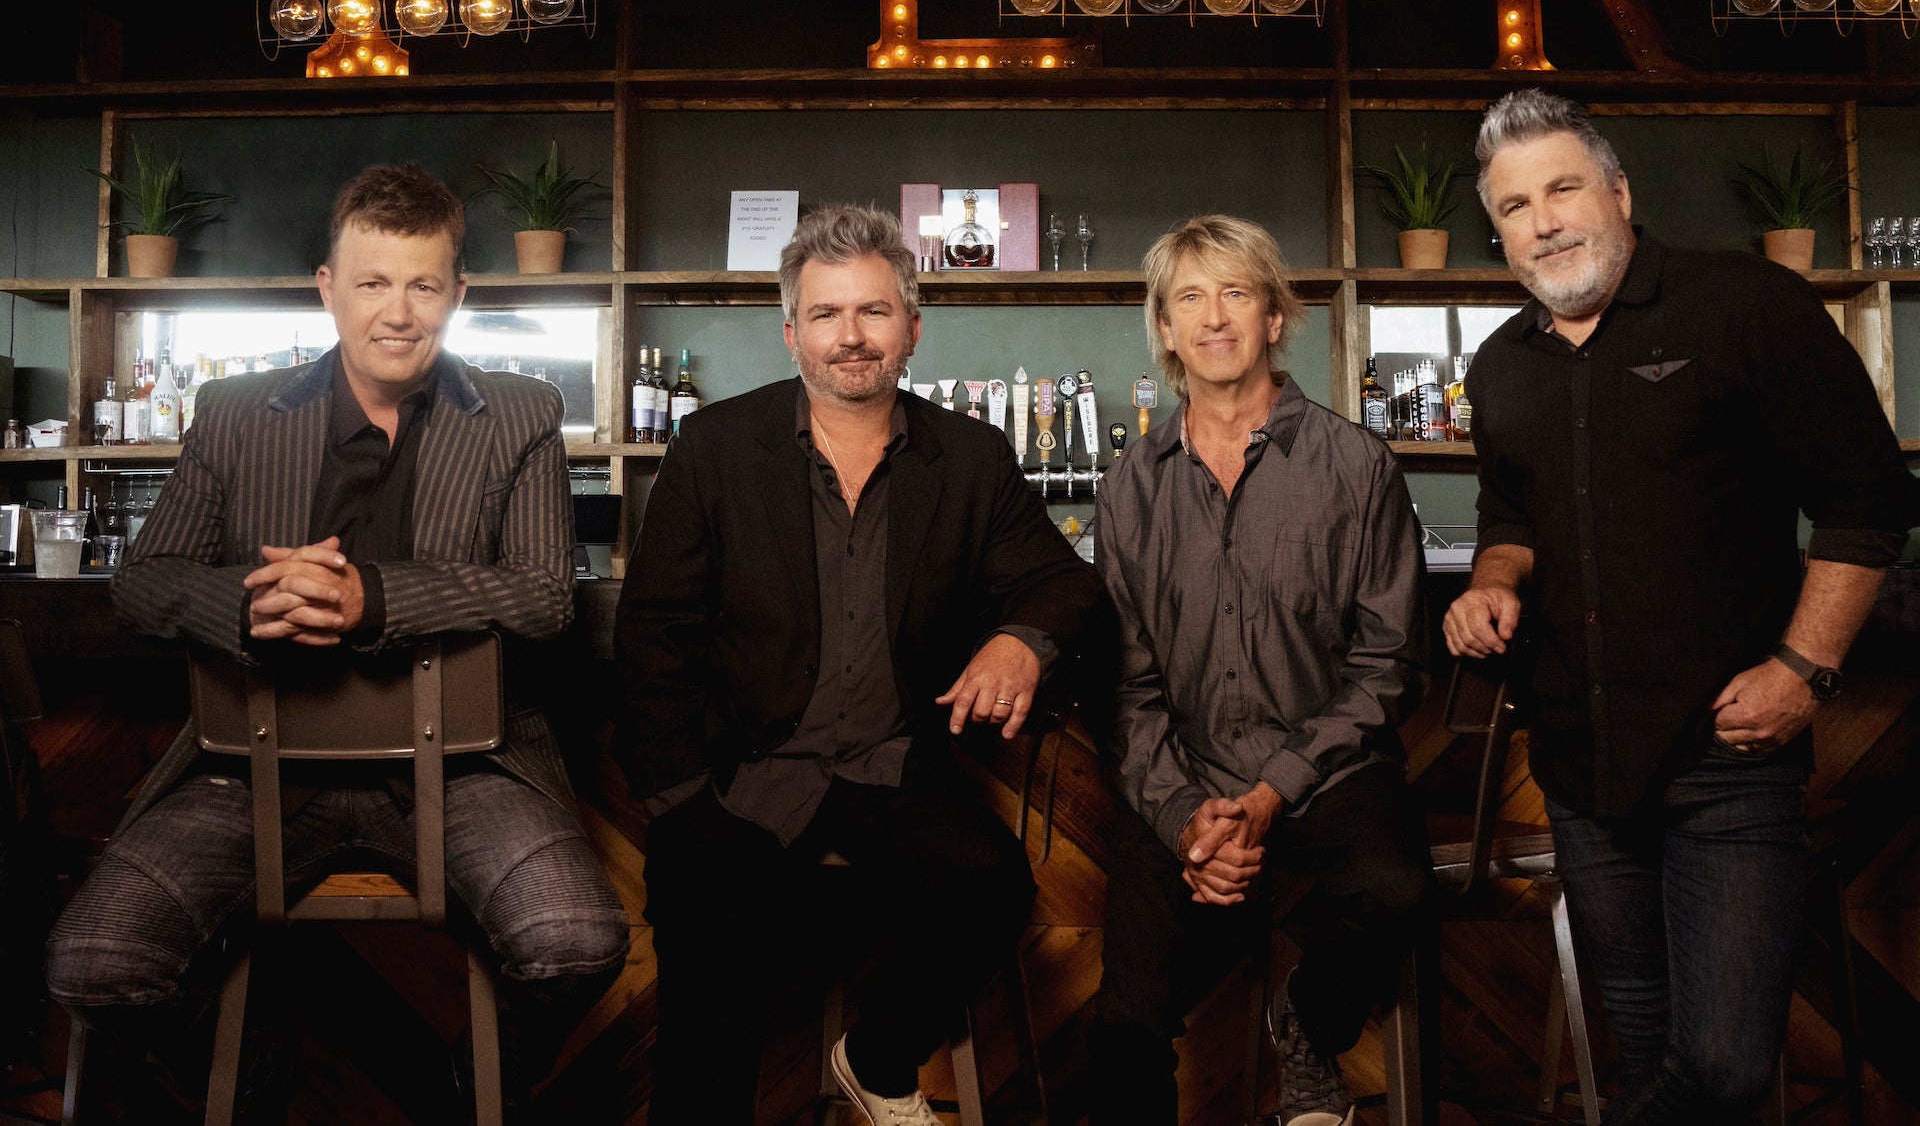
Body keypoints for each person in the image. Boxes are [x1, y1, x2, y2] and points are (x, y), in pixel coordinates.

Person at [45, 164, 630, 1114]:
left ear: (457, 295)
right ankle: (254, 1079)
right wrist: (243, 604)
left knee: (576, 941)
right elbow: (145, 582)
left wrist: (374, 600)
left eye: (423, 285)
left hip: (467, 764)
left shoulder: (521, 412)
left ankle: (463, 1087)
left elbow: (541, 598)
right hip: (255, 760)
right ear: (328, 288)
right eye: (371, 283)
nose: (397, 313)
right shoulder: (234, 414)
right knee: (95, 962)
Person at [1445, 89, 1920, 1123]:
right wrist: (1492, 581)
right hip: (1578, 760)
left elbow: (1868, 498)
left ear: (1618, 191)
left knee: (1723, 1068)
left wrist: (1804, 669)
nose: (1546, 219)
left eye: (1564, 187)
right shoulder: (1502, 363)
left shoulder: (1744, 305)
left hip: (1729, 753)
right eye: (1516, 205)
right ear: (1500, 232)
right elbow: (1512, 508)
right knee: (1646, 1048)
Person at [616, 203, 1108, 1125]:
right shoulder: (715, 449)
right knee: (707, 964)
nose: (853, 337)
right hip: (745, 771)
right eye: (830, 314)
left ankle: (876, 1059)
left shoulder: (970, 456)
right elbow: (652, 637)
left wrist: (1021, 639)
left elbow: (1062, 583)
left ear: (912, 328)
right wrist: (677, 800)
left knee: (993, 886)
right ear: (791, 331)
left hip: (893, 767)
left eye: (875, 312)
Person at [1088, 214, 1432, 1126]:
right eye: (1190, 298)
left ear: (1275, 317)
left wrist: (1273, 792)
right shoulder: (1129, 487)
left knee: (1397, 891)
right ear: (1164, 328)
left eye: (1236, 292)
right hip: (1186, 775)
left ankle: (1306, 1023)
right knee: (1124, 1020)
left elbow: (1389, 661)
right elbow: (1125, 683)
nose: (1214, 317)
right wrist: (1181, 818)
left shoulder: (1356, 464)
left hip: (1326, 772)